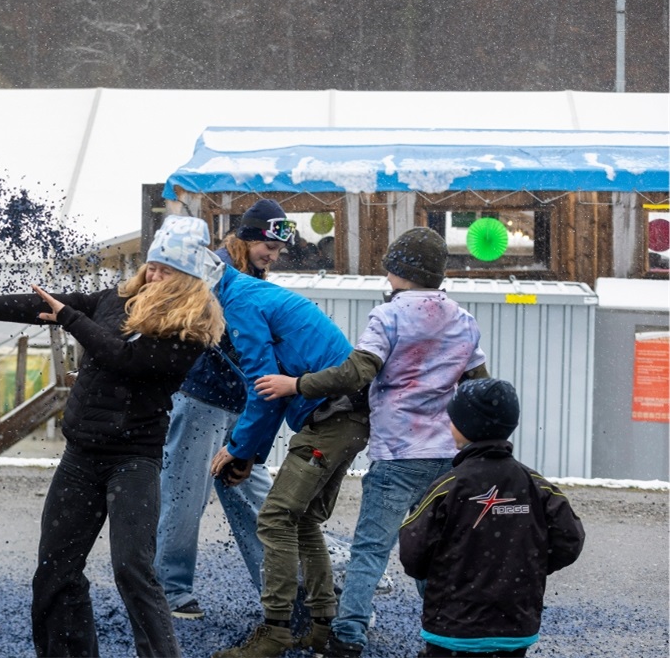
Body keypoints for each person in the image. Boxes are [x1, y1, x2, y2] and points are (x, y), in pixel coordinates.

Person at [0, 215, 226, 658]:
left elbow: (123, 359)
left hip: (134, 459)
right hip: (81, 456)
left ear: (189, 279)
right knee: (55, 570)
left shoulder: (190, 330)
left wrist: (70, 318)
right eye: (153, 266)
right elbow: (39, 307)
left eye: (167, 270)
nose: (154, 276)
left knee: (133, 569)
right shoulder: (115, 300)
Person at [258, 227, 490, 657]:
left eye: (390, 269)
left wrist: (296, 384)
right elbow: (480, 386)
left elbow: (355, 373)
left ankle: (347, 637)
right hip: (446, 459)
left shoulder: (390, 316)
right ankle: (445, 636)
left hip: (398, 455)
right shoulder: (463, 320)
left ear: (399, 271)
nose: (386, 277)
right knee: (435, 552)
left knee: (370, 550)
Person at [206, 264, 370, 658]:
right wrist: (250, 453)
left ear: (202, 288)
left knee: (276, 517)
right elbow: (275, 388)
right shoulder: (249, 293)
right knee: (305, 521)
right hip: (348, 417)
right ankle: (320, 626)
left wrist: (235, 448)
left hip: (332, 415)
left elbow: (263, 389)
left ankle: (275, 631)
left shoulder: (240, 304)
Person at [154, 199, 292, 619]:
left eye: (279, 250)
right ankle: (169, 590)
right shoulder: (211, 269)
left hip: (242, 406)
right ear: (246, 236)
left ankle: (277, 590)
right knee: (184, 493)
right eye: (268, 245)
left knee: (256, 499)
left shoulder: (254, 277)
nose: (273, 255)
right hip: (200, 400)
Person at [399, 378, 586, 657]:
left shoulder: (447, 487)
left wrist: (447, 574)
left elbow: (413, 551)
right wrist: (529, 567)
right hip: (514, 626)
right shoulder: (536, 485)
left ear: (464, 427)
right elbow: (570, 539)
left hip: (452, 628)